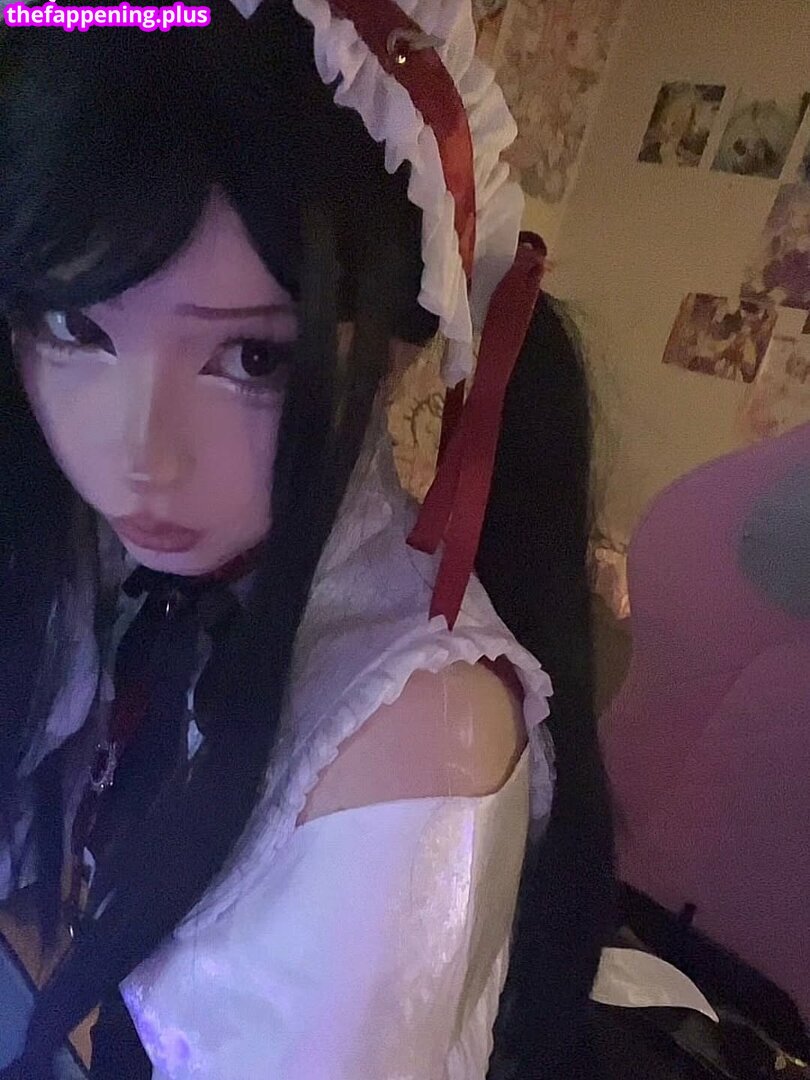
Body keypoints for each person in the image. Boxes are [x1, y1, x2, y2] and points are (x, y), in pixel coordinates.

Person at [0, 1, 613, 1076]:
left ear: (400, 346)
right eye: (74, 327)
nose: (141, 457)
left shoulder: (413, 738)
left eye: (253, 359)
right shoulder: (114, 558)